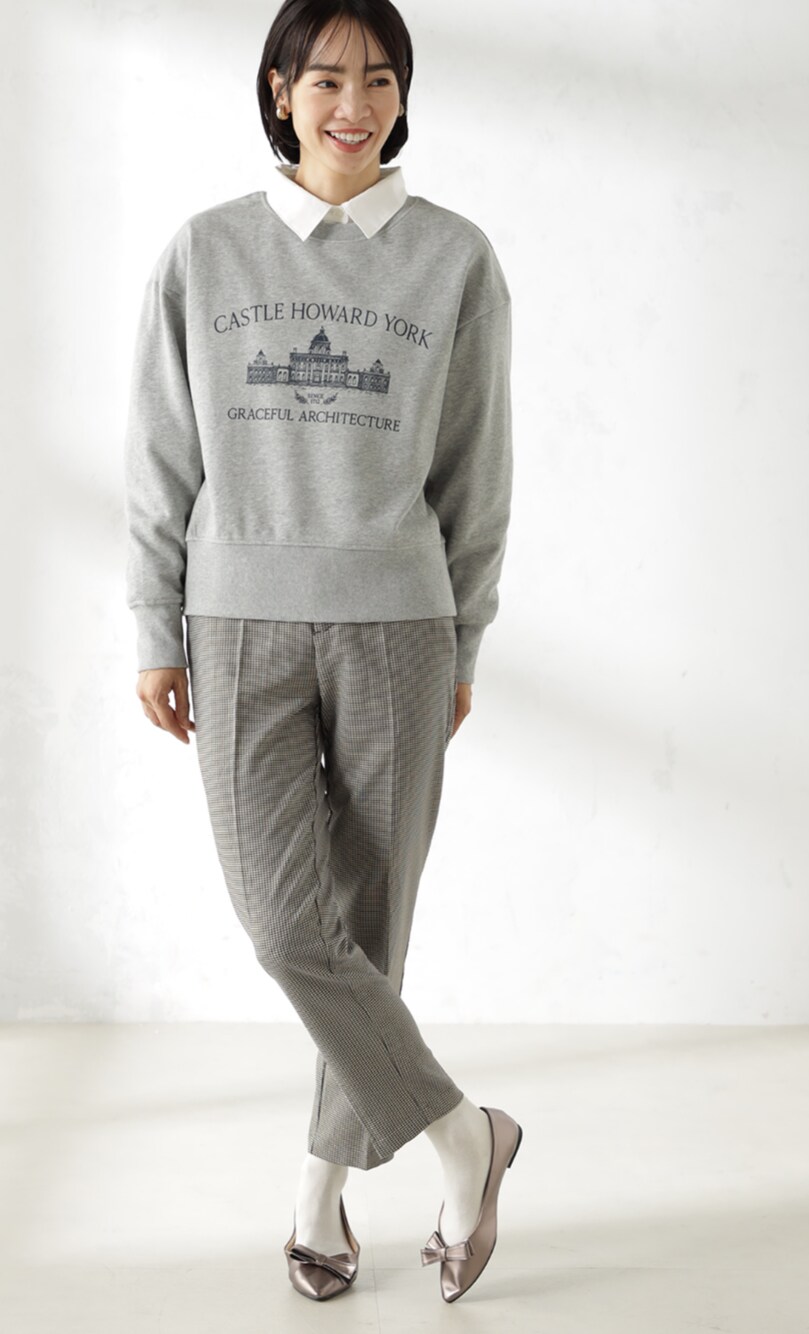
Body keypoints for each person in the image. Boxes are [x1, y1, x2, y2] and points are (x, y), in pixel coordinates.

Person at [123, 0, 522, 1304]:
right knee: (288, 924)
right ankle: (465, 1135)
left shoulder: (454, 259)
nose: (355, 104)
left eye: (380, 78)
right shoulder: (207, 252)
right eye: (327, 77)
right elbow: (163, 455)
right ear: (279, 91)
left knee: (367, 924)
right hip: (237, 617)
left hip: (400, 624)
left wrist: (465, 635)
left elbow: (476, 471)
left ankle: (316, 1193)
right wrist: (155, 620)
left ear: (403, 98)